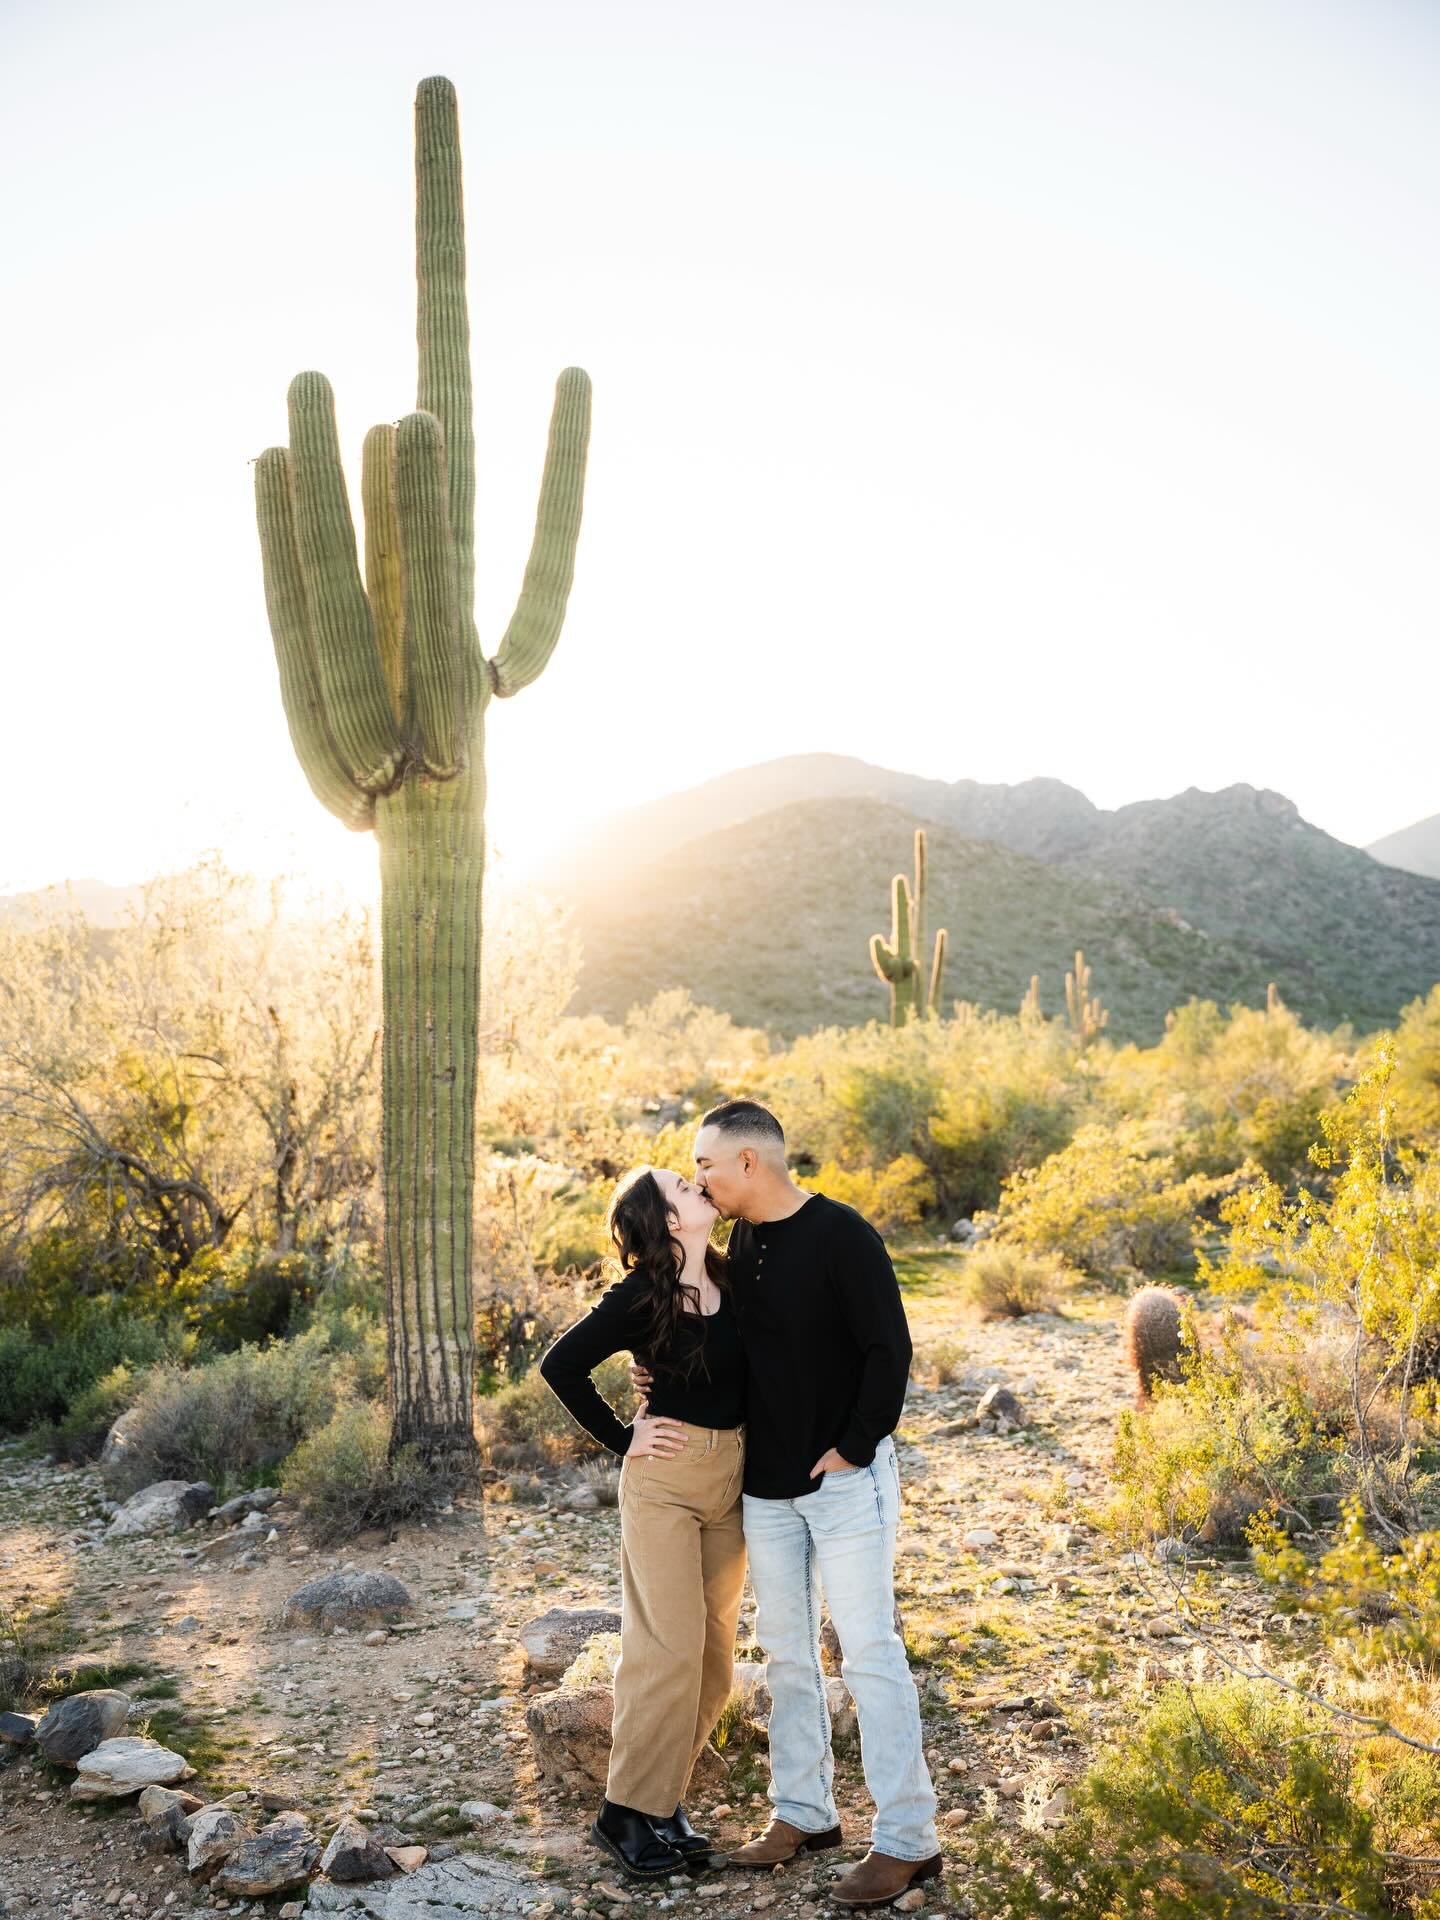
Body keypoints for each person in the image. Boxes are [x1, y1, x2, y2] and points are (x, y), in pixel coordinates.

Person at [633, 1099, 940, 1910]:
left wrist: (856, 1445)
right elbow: (722, 1339)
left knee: (870, 1653)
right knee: (785, 1655)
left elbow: (890, 1347)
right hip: (765, 1491)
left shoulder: (842, 1234)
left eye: (704, 1163)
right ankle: (804, 1813)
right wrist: (651, 1383)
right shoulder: (741, 1241)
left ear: (747, 1164)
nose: (695, 1176)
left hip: (844, 1483)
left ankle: (908, 1840)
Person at [539, 1164, 747, 1880]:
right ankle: (622, 1812)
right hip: (664, 1479)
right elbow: (560, 1365)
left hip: (735, 1478)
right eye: (682, 1186)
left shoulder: (736, 1268)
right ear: (665, 1221)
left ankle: (663, 1802)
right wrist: (625, 1436)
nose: (699, 1185)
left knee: (716, 1655)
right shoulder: (639, 1296)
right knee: (668, 1646)